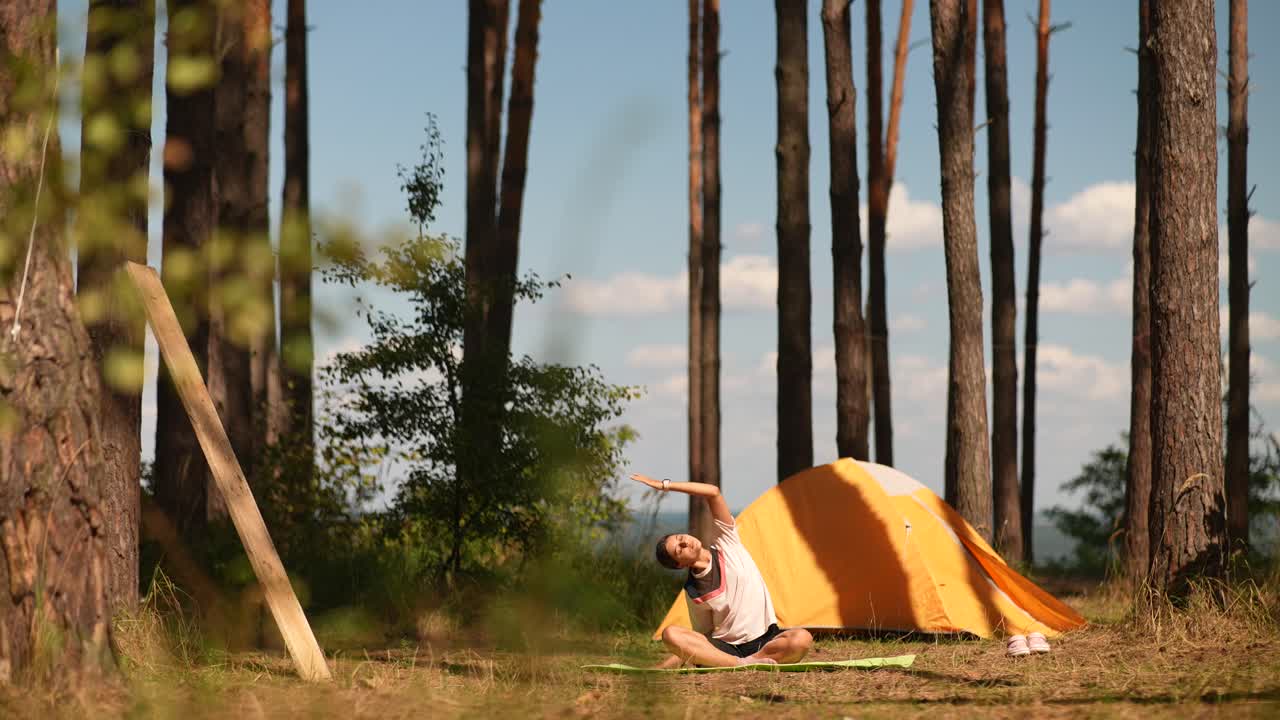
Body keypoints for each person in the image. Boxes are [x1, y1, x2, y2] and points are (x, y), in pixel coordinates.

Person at [629, 473, 814, 668]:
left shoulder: (727, 542)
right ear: (680, 565)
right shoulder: (694, 591)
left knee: (802, 639)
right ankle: (739, 663)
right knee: (670, 634)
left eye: (680, 538)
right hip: (728, 649)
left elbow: (713, 493)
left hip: (767, 640)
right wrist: (665, 666)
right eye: (679, 550)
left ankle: (752, 660)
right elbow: (703, 637)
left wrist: (665, 485)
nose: (684, 542)